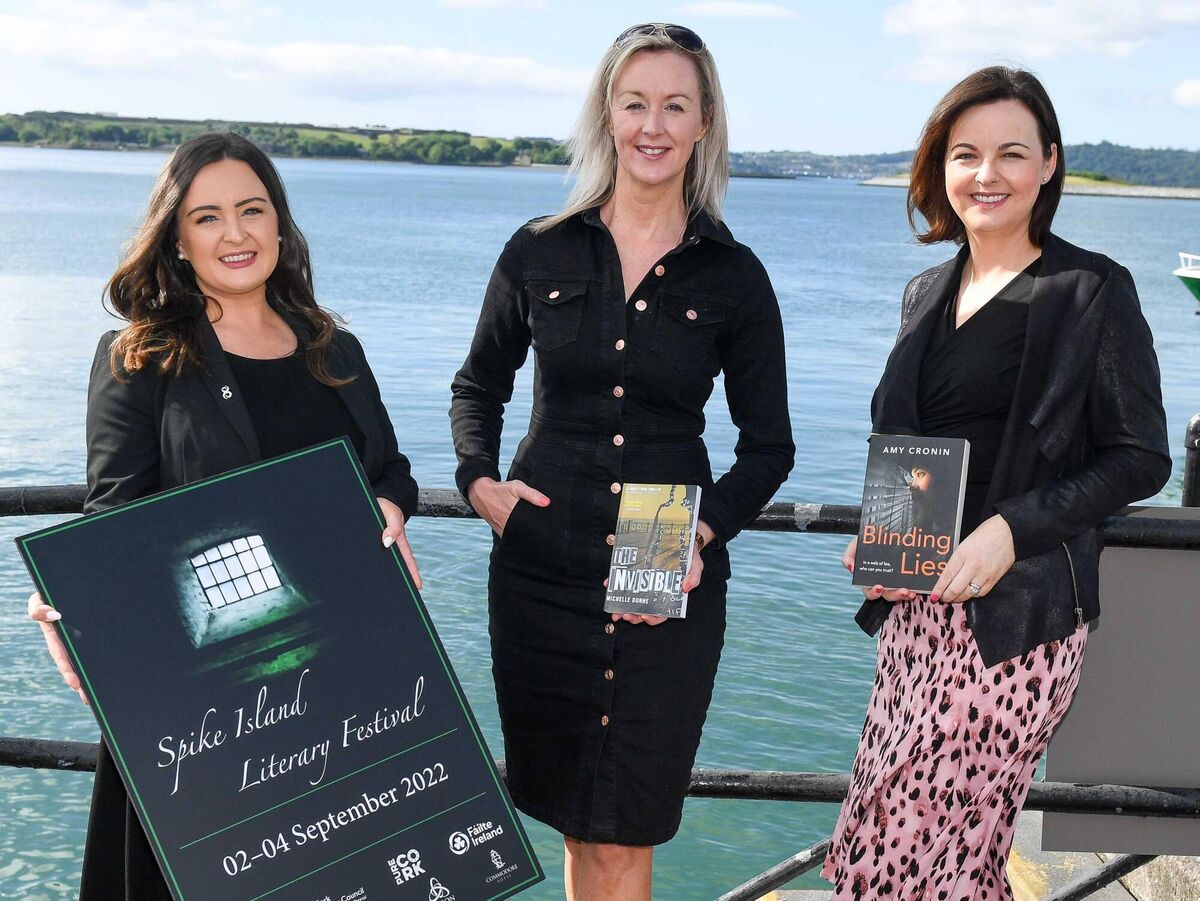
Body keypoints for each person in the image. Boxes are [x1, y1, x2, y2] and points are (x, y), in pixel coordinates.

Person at [27, 132, 421, 900]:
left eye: (252, 209)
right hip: (203, 713)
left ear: (281, 222)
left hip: (343, 692)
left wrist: (390, 505)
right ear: (176, 237)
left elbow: (391, 470)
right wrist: (68, 601)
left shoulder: (335, 350)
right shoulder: (138, 359)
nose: (235, 233)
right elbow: (114, 519)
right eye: (207, 217)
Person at [450, 23, 793, 900]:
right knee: (575, 817)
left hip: (662, 563)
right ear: (607, 113)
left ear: (704, 122)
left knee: (625, 825)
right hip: (542, 567)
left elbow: (769, 447)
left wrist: (702, 533)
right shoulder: (540, 247)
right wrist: (479, 482)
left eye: (675, 105)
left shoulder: (734, 276)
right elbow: (477, 384)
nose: (653, 124)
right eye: (635, 102)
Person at [823, 67, 1171, 900]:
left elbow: (1141, 455)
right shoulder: (925, 293)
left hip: (1016, 626)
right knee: (948, 850)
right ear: (940, 167)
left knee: (902, 846)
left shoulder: (1090, 290)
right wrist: (879, 534)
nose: (987, 174)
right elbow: (908, 446)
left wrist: (1011, 526)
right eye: (966, 154)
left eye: (1011, 153)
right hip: (915, 612)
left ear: (1049, 163)